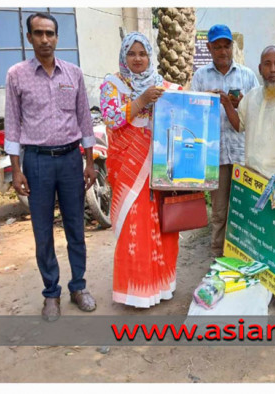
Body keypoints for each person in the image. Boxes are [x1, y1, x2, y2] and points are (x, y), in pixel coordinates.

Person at [5, 12, 97, 321]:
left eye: (50, 33)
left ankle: (79, 286)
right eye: (38, 33)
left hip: (72, 160)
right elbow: (14, 125)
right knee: (43, 232)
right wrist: (16, 169)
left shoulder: (74, 74)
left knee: (76, 228)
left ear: (57, 37)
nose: (45, 39)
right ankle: (51, 294)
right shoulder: (17, 75)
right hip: (38, 162)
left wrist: (89, 162)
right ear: (29, 38)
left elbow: (85, 118)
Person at [100, 32, 183, 308]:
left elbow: (186, 103)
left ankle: (161, 285)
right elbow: (111, 118)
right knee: (135, 226)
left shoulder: (161, 84)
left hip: (160, 168)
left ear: (151, 56)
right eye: (132, 53)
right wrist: (142, 100)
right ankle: (135, 291)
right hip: (129, 171)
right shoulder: (112, 84)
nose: (138, 59)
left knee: (163, 225)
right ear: (124, 56)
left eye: (143, 53)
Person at [191, 24, 260, 257]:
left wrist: (239, 105)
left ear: (233, 46)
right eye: (217, 47)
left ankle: (244, 255)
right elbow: (192, 116)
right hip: (216, 155)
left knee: (243, 209)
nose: (222, 51)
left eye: (226, 46)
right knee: (220, 211)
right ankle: (217, 257)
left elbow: (258, 113)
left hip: (243, 153)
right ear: (209, 48)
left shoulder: (248, 76)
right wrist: (205, 103)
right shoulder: (200, 78)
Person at [223, 45, 275, 186]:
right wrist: (227, 104)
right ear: (260, 69)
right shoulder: (250, 97)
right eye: (267, 64)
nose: (273, 69)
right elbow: (239, 125)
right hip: (250, 178)